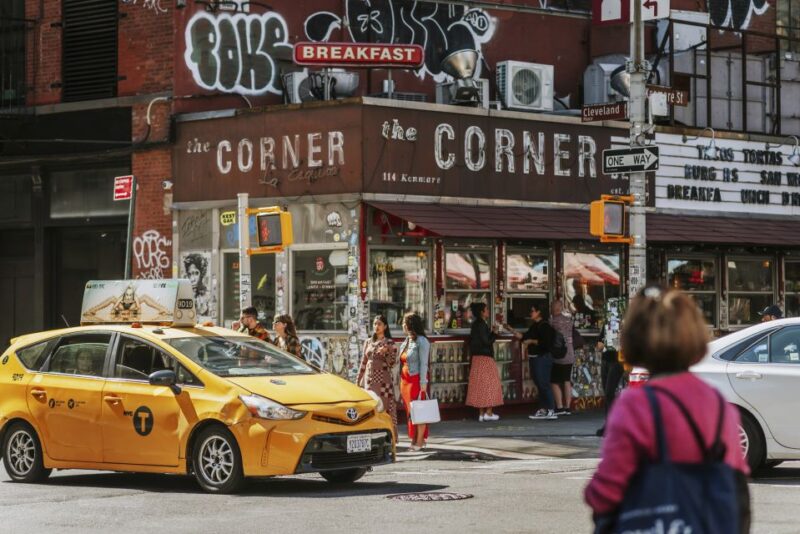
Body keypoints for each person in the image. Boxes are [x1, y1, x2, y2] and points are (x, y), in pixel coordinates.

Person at [584, 286, 750, 533]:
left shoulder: (635, 406)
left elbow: (607, 490)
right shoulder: (715, 402)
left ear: (633, 338)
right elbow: (736, 483)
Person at [504, 303, 557, 420]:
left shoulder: (545, 326)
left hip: (542, 357)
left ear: (539, 312)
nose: (530, 313)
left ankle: (551, 409)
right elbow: (524, 337)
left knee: (543, 383)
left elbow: (546, 344)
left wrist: (532, 341)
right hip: (535, 357)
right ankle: (544, 409)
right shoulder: (534, 326)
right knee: (539, 383)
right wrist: (511, 330)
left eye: (532, 311)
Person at [357, 315, 398, 439]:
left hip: (384, 384)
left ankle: (388, 437)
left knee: (385, 409)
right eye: (375, 324)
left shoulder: (390, 343)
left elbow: (392, 363)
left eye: (379, 324)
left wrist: (386, 353)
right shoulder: (368, 342)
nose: (376, 326)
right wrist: (358, 380)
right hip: (369, 382)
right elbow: (363, 363)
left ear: (385, 326)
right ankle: (370, 437)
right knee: (370, 408)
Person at [398, 312, 430, 451]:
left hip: (415, 380)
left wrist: (423, 383)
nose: (402, 325)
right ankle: (415, 439)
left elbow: (424, 364)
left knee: (419, 411)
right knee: (410, 413)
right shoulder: (407, 340)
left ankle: (419, 441)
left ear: (410, 324)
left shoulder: (422, 341)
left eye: (404, 322)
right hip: (405, 381)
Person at [466, 302, 504, 422]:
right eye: (486, 309)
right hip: (485, 357)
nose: (488, 311)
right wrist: (495, 333)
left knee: (479, 385)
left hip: (476, 358)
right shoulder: (482, 324)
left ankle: (481, 414)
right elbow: (487, 341)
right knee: (491, 384)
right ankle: (489, 411)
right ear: (482, 311)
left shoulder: (476, 324)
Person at [595, 321, 625, 437]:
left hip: (617, 361)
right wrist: (603, 345)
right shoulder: (607, 325)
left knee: (609, 393)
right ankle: (609, 423)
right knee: (608, 394)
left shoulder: (623, 325)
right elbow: (598, 344)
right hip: (606, 360)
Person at [549, 300, 574, 416]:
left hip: (559, 355)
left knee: (554, 381)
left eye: (551, 307)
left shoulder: (553, 321)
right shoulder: (569, 320)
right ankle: (568, 407)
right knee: (566, 380)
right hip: (570, 354)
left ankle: (559, 406)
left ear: (554, 308)